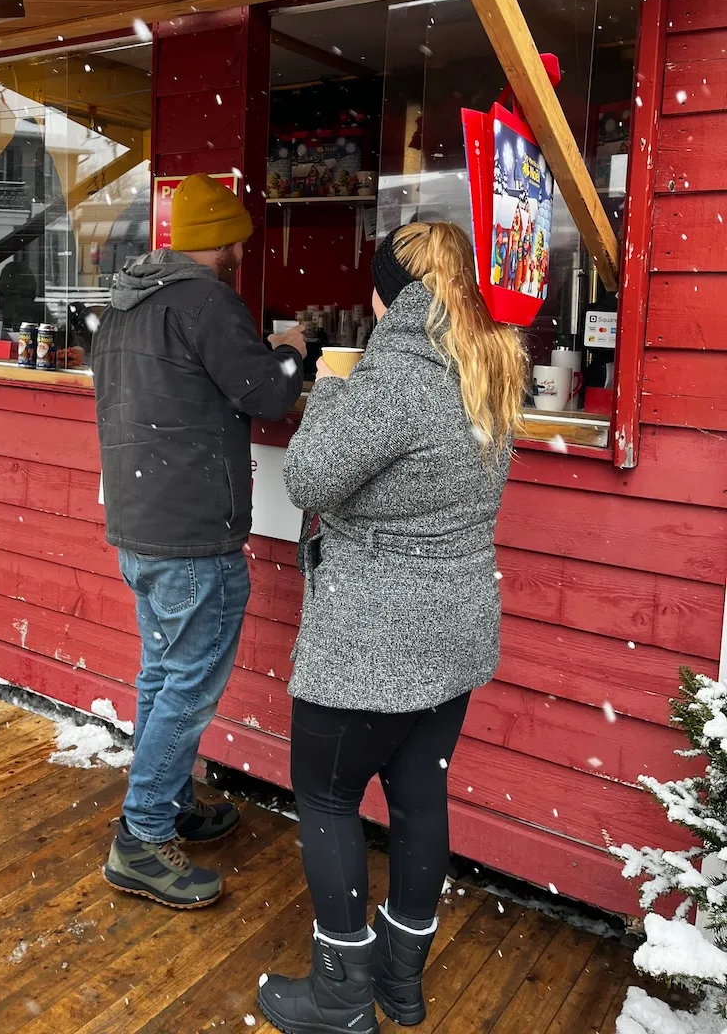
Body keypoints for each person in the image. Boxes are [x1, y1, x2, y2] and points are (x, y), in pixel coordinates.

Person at [258, 222, 526, 1034]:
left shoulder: (398, 374)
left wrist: (334, 382)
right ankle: (400, 981)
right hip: (454, 624)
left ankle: (341, 996)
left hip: (376, 632)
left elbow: (308, 476)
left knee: (330, 797)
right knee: (417, 796)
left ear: (393, 294)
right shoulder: (489, 366)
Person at [92, 173, 306, 910]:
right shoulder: (208, 301)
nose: (246, 248)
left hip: (139, 524)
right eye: (240, 236)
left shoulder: (127, 303)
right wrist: (290, 349)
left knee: (162, 675)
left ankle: (169, 802)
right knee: (185, 686)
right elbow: (269, 395)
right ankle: (142, 840)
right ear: (220, 240)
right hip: (191, 534)